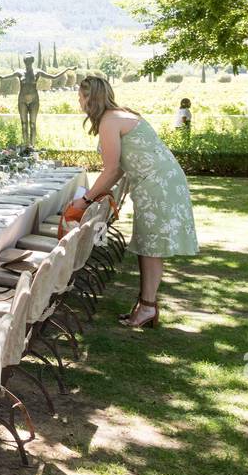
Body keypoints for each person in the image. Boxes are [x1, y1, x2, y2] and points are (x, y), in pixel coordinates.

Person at [63, 76, 198, 329]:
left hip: (158, 184)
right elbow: (121, 167)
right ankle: (146, 305)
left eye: (81, 97)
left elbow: (112, 170)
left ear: (91, 98)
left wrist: (85, 200)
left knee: (150, 246)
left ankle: (147, 307)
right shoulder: (118, 115)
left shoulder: (109, 120)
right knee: (148, 244)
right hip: (159, 181)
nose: (79, 102)